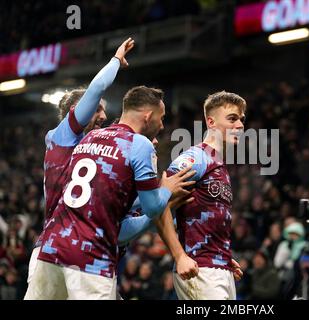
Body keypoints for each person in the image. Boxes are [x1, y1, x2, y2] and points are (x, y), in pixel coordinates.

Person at [25, 86, 198, 300]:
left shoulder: (90, 139)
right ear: (148, 116)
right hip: (90, 255)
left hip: (52, 247)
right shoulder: (137, 145)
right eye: (161, 119)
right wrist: (164, 193)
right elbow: (137, 217)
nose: (161, 129)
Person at [27, 37, 135, 285]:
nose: (104, 116)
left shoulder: (94, 148)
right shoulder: (63, 136)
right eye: (98, 109)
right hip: (55, 248)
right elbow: (96, 88)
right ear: (77, 108)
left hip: (79, 248)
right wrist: (116, 60)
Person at [167, 91, 245, 300]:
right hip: (199, 269)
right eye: (232, 118)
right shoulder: (196, 158)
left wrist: (223, 255)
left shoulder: (219, 164)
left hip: (219, 267)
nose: (240, 125)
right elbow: (158, 207)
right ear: (211, 121)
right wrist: (179, 256)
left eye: (241, 119)